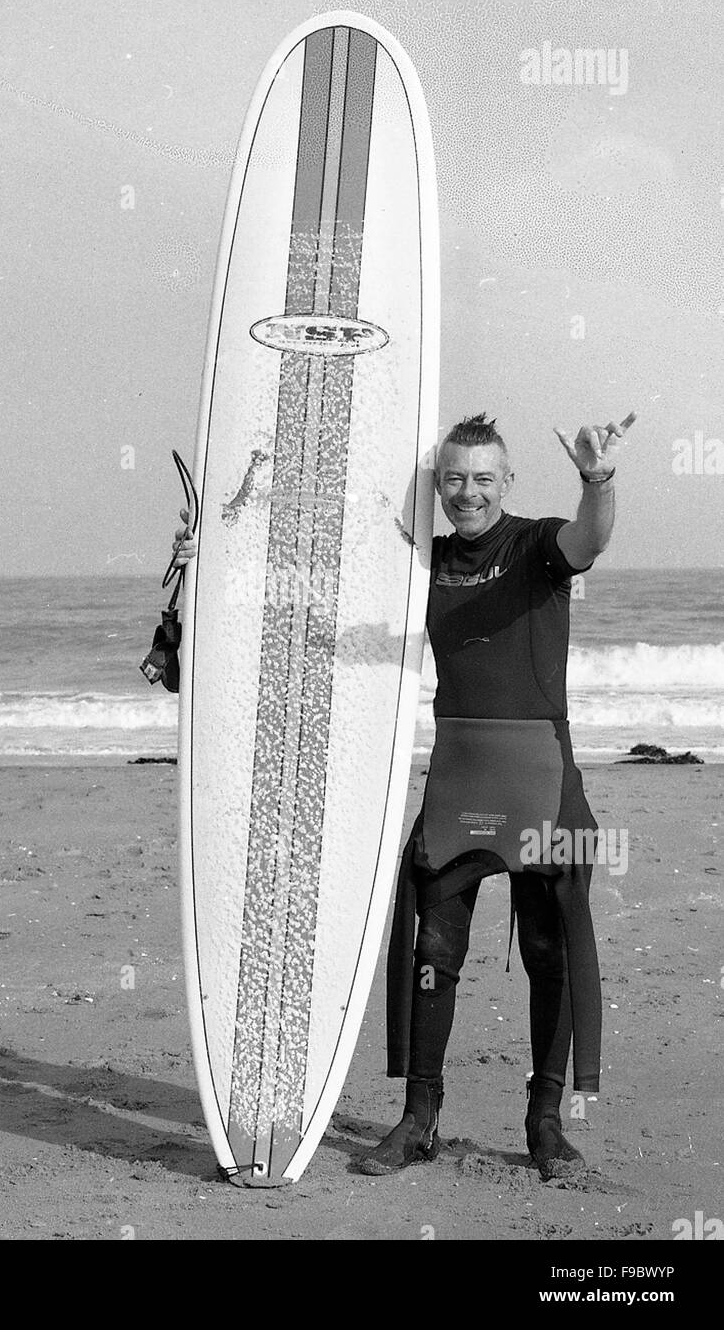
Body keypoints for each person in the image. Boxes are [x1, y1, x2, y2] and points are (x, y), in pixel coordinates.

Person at [170, 408, 636, 1181]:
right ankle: (418, 1119)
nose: (467, 493)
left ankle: (545, 1126)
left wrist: (597, 479)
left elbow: (591, 538)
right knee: (432, 952)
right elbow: (307, 598)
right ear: (436, 486)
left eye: (482, 478)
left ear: (506, 482)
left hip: (543, 783)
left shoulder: (535, 546)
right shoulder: (416, 561)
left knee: (549, 952)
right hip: (458, 780)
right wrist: (210, 551)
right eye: (452, 479)